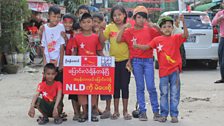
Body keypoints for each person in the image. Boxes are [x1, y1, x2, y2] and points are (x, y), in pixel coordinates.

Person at [133, 15, 188, 123]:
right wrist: (137, 46)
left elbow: (186, 35)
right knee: (164, 94)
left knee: (175, 93)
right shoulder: (157, 39)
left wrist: (183, 23)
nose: (167, 28)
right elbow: (147, 47)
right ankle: (163, 114)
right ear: (160, 29)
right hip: (163, 72)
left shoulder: (176, 38)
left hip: (174, 71)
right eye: (164, 27)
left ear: (172, 28)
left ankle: (174, 114)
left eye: (169, 26)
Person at [116, 6, 161, 121]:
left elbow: (162, 37)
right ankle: (142, 112)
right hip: (136, 62)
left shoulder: (150, 30)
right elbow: (118, 39)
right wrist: (123, 28)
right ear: (134, 18)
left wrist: (156, 27)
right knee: (140, 87)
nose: (141, 20)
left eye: (144, 18)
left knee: (151, 87)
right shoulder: (129, 31)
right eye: (139, 17)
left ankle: (156, 112)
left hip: (148, 61)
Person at [99, 5, 132, 120]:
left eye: (119, 15)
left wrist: (130, 60)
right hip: (113, 62)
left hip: (126, 62)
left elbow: (132, 46)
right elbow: (102, 40)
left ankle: (125, 111)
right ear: (112, 17)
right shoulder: (110, 27)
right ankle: (116, 111)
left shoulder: (129, 28)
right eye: (114, 15)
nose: (117, 17)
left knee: (125, 86)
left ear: (124, 15)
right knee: (116, 87)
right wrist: (101, 29)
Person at [71, 13, 103, 122]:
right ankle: (84, 113)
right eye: (84, 22)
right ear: (80, 24)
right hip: (80, 69)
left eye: (89, 22)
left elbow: (99, 51)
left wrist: (108, 62)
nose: (86, 24)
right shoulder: (77, 37)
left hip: (93, 69)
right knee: (81, 91)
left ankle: (91, 113)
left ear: (92, 23)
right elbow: (74, 52)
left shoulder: (95, 37)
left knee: (93, 90)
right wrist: (70, 64)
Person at [212, 1, 224, 83]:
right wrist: (220, 18)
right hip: (223, 38)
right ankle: (223, 78)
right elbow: (213, 23)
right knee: (221, 59)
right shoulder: (220, 13)